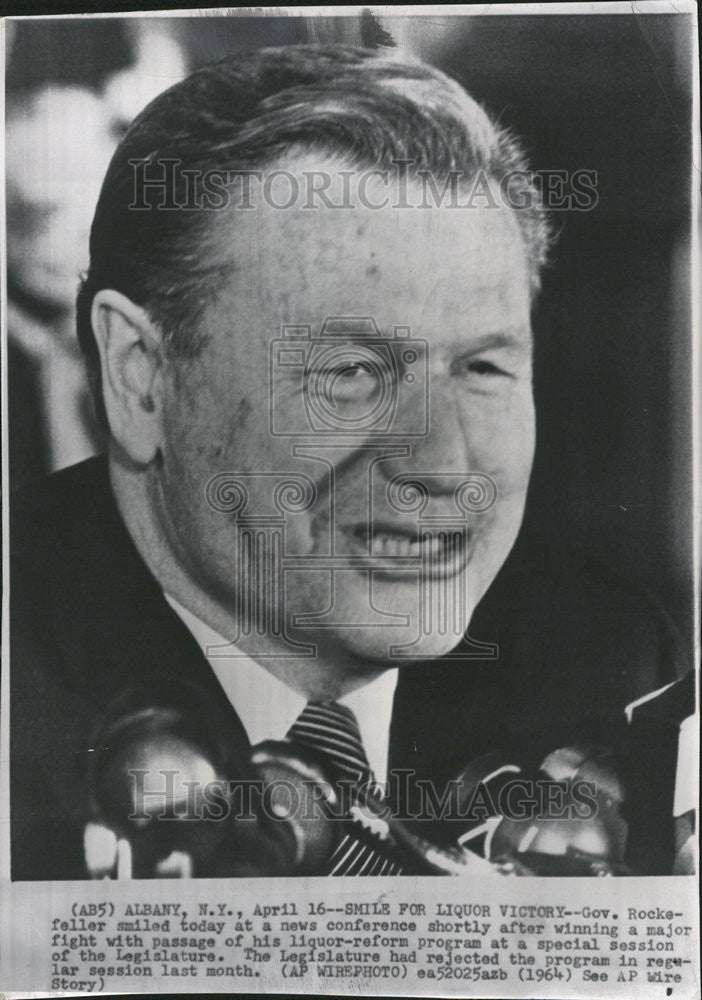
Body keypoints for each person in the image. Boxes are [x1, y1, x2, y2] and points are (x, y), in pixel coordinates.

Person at [10, 45, 683, 879]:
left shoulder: (607, 659)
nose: (442, 463)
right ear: (140, 376)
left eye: (482, 368)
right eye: (352, 374)